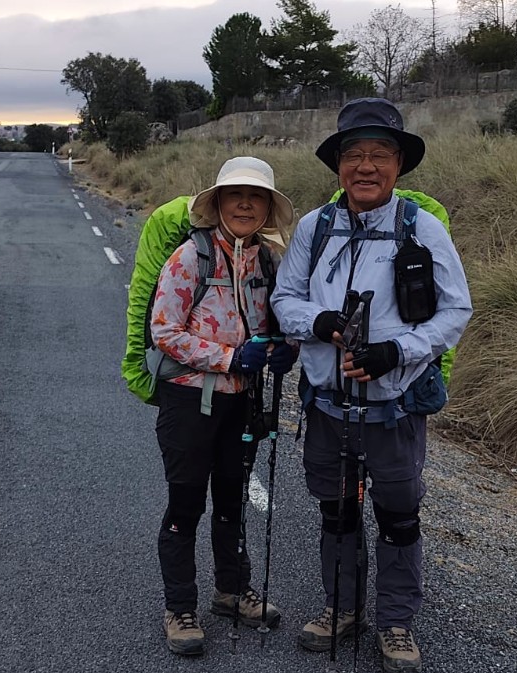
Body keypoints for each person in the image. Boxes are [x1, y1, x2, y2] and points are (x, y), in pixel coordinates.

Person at [271, 99, 473, 672]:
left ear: (398, 165)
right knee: (336, 512)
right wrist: (320, 323)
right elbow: (285, 299)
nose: (365, 166)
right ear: (338, 165)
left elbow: (456, 311)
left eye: (379, 154)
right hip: (328, 406)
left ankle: (396, 622)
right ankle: (343, 607)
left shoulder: (421, 227)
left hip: (395, 406)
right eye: (353, 154)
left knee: (399, 514)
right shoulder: (315, 227)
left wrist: (395, 352)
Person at [150, 156, 299, 656]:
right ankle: (179, 607)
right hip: (189, 401)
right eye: (234, 194)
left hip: (242, 404)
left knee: (232, 502)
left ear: (266, 209)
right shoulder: (191, 258)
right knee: (186, 503)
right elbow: (164, 331)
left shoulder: (269, 262)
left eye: (255, 197)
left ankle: (232, 592)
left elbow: (277, 323)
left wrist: (283, 349)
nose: (244, 203)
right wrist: (232, 356)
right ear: (216, 203)